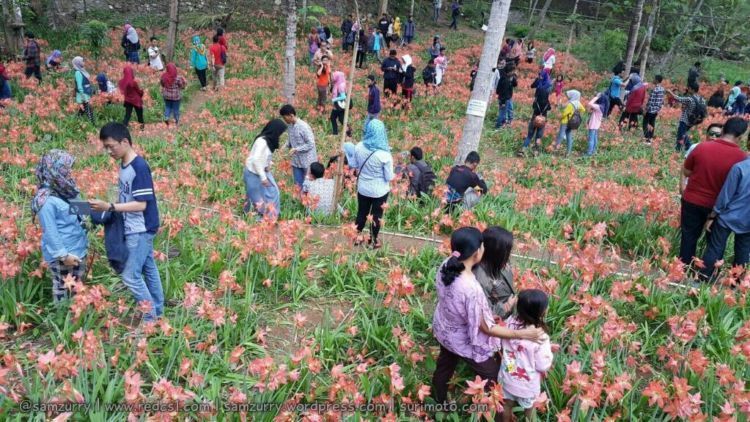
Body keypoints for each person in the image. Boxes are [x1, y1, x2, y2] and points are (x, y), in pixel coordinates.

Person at [431, 227, 546, 405]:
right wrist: (523, 334)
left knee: (445, 364)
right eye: (482, 245)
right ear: (477, 253)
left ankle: (438, 400)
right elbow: (486, 327)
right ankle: (492, 410)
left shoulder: (447, 264)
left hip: (444, 328)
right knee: (492, 374)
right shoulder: (472, 288)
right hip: (463, 339)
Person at [89, 123, 164, 322]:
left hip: (140, 228)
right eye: (105, 147)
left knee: (130, 276)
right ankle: (157, 310)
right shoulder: (124, 165)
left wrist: (110, 206)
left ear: (124, 142)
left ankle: (150, 320)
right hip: (134, 226)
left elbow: (141, 204)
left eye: (111, 146)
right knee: (149, 268)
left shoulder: (138, 167)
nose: (108, 151)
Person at [679, 117, 748, 268]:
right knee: (714, 244)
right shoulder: (742, 158)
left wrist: (683, 190)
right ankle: (707, 274)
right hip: (719, 207)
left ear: (723, 130)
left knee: (689, 237)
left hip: (693, 200)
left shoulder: (702, 147)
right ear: (741, 136)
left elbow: (686, 171)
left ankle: (683, 269)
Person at [31, 150, 88, 303]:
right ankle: (62, 319)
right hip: (64, 254)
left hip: (78, 248)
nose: (69, 172)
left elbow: (82, 212)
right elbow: (50, 232)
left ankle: (76, 314)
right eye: (66, 169)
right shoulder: (46, 201)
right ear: (55, 171)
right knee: (63, 286)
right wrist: (64, 256)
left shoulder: (65, 190)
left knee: (77, 284)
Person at [500, 289, 553, 422]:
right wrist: (550, 356)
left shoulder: (509, 323)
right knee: (529, 410)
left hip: (507, 378)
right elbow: (542, 365)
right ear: (541, 312)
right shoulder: (540, 336)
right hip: (527, 385)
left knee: (506, 405)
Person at [700, 145, 750, 282]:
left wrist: (712, 215)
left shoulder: (740, 168)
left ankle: (705, 278)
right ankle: (737, 283)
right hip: (748, 221)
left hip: (728, 217)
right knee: (743, 252)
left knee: (715, 247)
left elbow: (725, 196)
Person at [343, 119, 394, 249]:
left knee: (362, 213)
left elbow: (354, 164)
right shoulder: (385, 155)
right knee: (376, 216)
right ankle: (373, 241)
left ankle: (356, 237)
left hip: (363, 188)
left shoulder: (360, 146)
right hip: (379, 191)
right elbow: (389, 177)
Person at [243, 119, 287, 219]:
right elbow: (256, 160)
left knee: (272, 192)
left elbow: (264, 157)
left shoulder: (269, 140)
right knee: (257, 199)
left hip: (261, 171)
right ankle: (260, 220)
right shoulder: (262, 142)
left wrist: (267, 165)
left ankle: (269, 216)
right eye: (280, 132)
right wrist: (263, 178)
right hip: (253, 173)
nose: (280, 135)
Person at [474, 226, 516, 319]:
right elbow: (485, 314)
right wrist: (508, 306)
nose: (510, 254)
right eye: (507, 250)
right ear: (497, 252)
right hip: (496, 322)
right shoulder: (480, 279)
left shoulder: (498, 262)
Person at [280, 104, 318, 190]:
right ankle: (299, 202)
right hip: (296, 161)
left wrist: (297, 149)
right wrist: (285, 146)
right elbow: (290, 139)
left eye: (285, 117)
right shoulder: (290, 126)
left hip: (307, 161)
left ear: (291, 115)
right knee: (297, 185)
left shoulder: (303, 127)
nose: (284, 120)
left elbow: (311, 143)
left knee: (308, 186)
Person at [520, 71, 552, 156]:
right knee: (538, 137)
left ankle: (523, 150)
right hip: (543, 120)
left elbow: (533, 107)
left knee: (529, 136)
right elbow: (549, 108)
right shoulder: (547, 102)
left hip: (534, 118)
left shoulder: (536, 102)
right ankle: (536, 152)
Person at [667, 83, 706, 151]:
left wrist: (670, 92)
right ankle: (681, 148)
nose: (688, 89)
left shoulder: (690, 99)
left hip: (685, 120)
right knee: (682, 134)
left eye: (690, 88)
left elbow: (678, 98)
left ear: (693, 90)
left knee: (682, 134)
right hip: (693, 121)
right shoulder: (702, 99)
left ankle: (688, 147)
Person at [554, 90, 586, 155]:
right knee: (569, 136)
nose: (568, 97)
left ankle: (555, 149)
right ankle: (568, 152)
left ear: (573, 95)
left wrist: (559, 117)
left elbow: (564, 114)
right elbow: (583, 110)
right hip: (572, 123)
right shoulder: (578, 103)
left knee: (561, 135)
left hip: (565, 122)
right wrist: (576, 114)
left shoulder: (571, 104)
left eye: (570, 95)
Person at [642, 74, 665, 144]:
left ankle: (647, 139)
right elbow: (662, 101)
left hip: (650, 110)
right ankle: (651, 138)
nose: (653, 80)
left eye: (654, 79)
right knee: (652, 123)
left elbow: (650, 101)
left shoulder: (654, 89)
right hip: (656, 110)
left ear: (657, 80)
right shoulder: (662, 89)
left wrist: (645, 110)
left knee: (645, 124)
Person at [72, 57, 94, 124]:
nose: (83, 63)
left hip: (86, 93)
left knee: (82, 110)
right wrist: (84, 97)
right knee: (88, 110)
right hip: (83, 94)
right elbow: (79, 86)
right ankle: (92, 124)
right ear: (78, 63)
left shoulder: (81, 70)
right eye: (82, 61)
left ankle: (75, 122)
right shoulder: (78, 73)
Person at [494, 64, 517, 129]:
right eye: (513, 71)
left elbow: (515, 85)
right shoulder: (505, 80)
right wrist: (503, 102)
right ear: (509, 71)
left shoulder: (508, 78)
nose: (513, 72)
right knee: (502, 113)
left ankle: (505, 123)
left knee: (508, 110)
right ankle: (498, 126)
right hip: (504, 99)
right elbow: (503, 92)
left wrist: (513, 78)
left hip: (507, 98)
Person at [330, 71, 348, 135]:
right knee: (339, 119)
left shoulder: (341, 85)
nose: (332, 77)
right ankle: (347, 131)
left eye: (333, 76)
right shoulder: (338, 83)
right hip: (337, 105)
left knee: (334, 118)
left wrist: (334, 99)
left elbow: (343, 96)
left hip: (339, 105)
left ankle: (336, 133)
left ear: (337, 77)